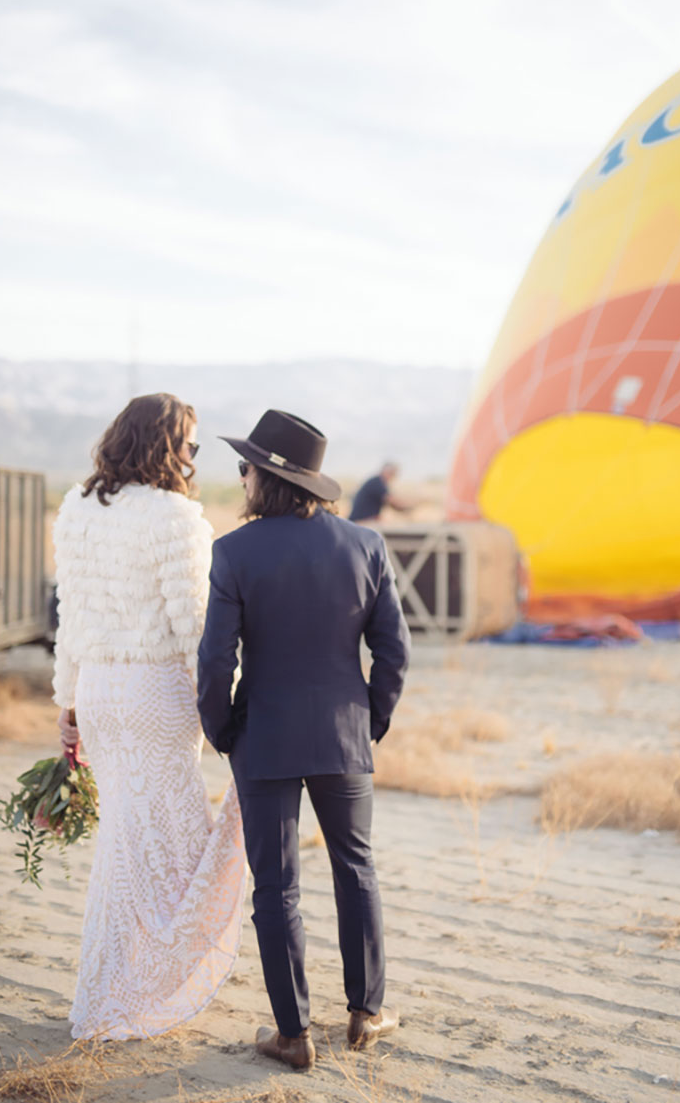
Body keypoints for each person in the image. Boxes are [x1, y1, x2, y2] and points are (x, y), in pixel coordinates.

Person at [197, 410, 410, 1071]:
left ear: (268, 477)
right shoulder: (365, 545)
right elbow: (394, 650)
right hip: (344, 734)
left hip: (262, 736)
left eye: (245, 468)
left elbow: (214, 660)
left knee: (276, 886)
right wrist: (369, 717)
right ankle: (365, 1011)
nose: (240, 478)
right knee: (356, 867)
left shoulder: (234, 550)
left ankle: (292, 1034)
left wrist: (223, 729)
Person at [52, 392, 246, 1041]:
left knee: (125, 844)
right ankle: (139, 990)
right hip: (155, 691)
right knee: (176, 847)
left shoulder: (77, 510)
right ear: (165, 444)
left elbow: (69, 618)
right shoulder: (177, 518)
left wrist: (68, 704)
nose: (194, 454)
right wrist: (226, 705)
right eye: (190, 442)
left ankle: (113, 984)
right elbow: (196, 625)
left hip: (100, 691)